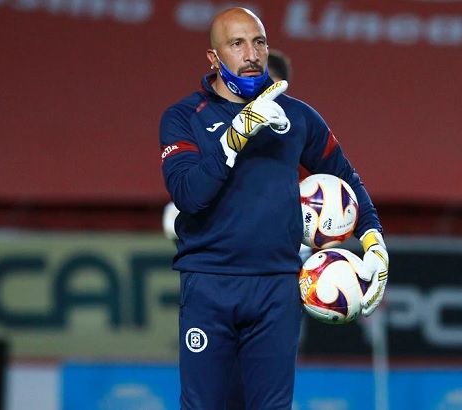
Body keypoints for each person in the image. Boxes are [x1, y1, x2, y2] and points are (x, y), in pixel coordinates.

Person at [158, 7, 388, 409]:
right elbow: (189, 196)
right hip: (210, 285)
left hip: (277, 289)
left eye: (259, 42)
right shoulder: (182, 117)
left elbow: (346, 178)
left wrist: (374, 240)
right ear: (213, 57)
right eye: (237, 44)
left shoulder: (298, 116)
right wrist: (235, 137)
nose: (251, 54)